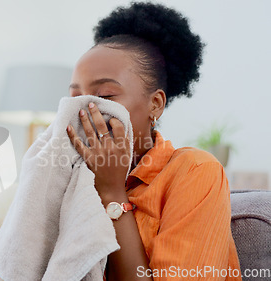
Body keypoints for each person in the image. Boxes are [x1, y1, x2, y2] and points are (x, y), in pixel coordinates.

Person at [65, 2, 241, 281]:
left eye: (107, 97)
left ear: (155, 104)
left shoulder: (195, 171)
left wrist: (111, 193)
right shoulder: (70, 176)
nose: (86, 109)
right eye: (75, 98)